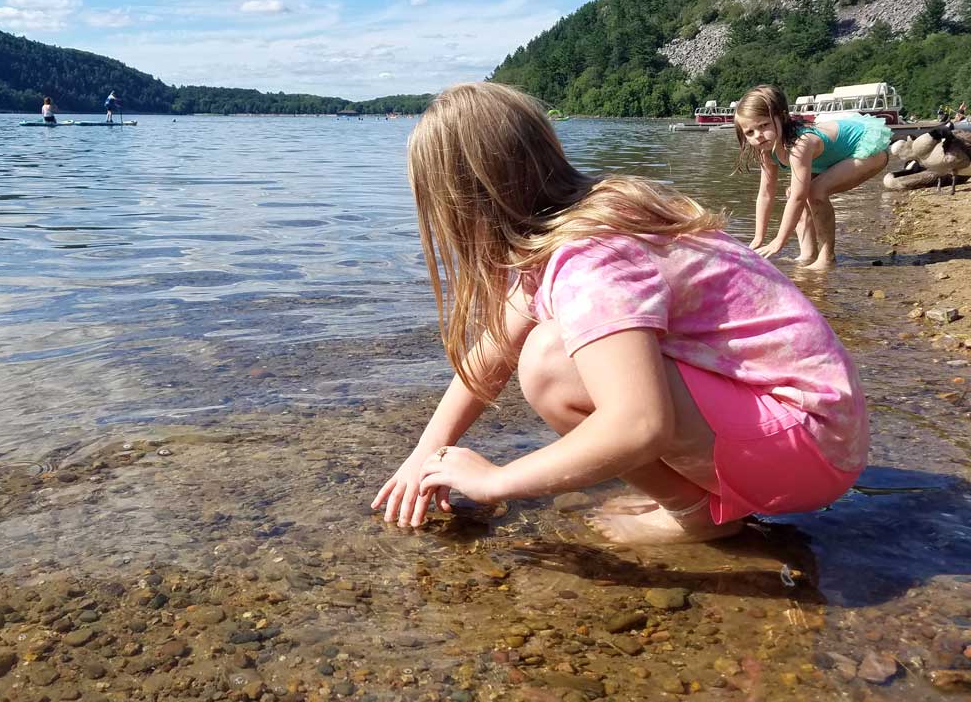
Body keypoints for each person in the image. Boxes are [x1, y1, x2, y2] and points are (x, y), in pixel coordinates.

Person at [371, 82, 868, 544]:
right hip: (825, 433)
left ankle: (695, 514)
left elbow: (638, 425)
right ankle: (709, 497)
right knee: (550, 348)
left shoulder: (590, 256)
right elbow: (492, 351)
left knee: (550, 363)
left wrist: (495, 481)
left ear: (463, 203)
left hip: (809, 451)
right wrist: (425, 453)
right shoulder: (587, 218)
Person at [735, 85, 890, 269]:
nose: (758, 136)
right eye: (750, 132)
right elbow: (765, 195)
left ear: (782, 116)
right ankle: (808, 254)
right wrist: (758, 238)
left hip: (867, 148)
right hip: (835, 157)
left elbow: (799, 198)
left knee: (815, 191)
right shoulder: (766, 152)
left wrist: (778, 242)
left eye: (764, 125)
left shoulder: (800, 144)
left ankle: (826, 258)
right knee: (793, 190)